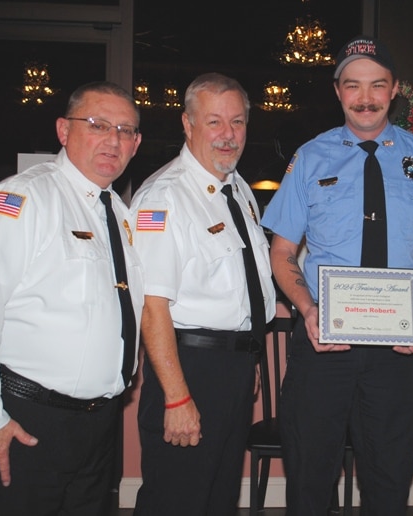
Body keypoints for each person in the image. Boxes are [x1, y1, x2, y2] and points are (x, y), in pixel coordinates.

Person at [261, 36, 413, 515]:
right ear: (338, 91)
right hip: (322, 344)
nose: (365, 97)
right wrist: (307, 309)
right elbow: (281, 250)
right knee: (310, 482)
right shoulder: (310, 158)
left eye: (376, 85)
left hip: (397, 349)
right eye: (353, 85)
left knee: (389, 482)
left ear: (394, 90)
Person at [0, 81, 144, 516]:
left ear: (137, 143)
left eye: (126, 130)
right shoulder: (21, 200)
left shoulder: (118, 215)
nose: (113, 139)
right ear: (63, 130)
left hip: (96, 427)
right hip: (24, 421)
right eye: (98, 125)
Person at [130, 72, 276, 516]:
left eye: (237, 122)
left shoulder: (238, 190)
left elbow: (240, 288)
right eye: (214, 122)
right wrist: (176, 397)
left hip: (231, 366)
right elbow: (152, 308)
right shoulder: (164, 197)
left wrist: (246, 356)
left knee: (217, 498)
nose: (228, 135)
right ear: (187, 124)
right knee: (176, 498)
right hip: (187, 366)